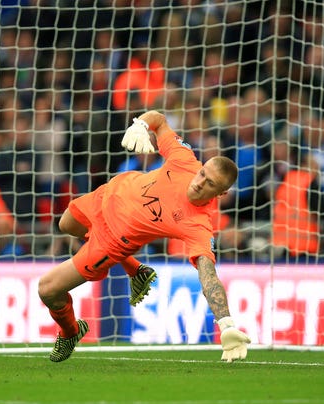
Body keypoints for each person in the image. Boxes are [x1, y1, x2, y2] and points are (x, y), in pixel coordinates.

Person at [37, 110, 250, 363]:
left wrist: (226, 324)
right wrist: (141, 123)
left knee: (47, 290)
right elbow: (159, 119)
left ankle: (71, 331)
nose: (200, 182)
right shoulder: (185, 160)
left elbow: (208, 276)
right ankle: (136, 269)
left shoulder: (198, 225)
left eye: (211, 184)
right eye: (203, 173)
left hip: (111, 241)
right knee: (66, 224)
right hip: (107, 194)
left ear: (221, 194)